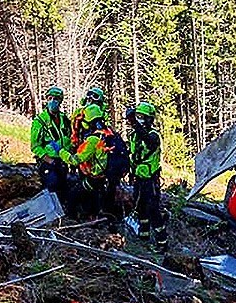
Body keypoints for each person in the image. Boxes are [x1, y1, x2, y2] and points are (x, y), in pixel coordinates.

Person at [64, 104, 123, 220]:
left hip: (95, 178)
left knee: (73, 195)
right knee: (94, 198)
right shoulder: (108, 134)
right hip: (106, 177)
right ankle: (95, 215)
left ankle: (72, 220)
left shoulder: (93, 139)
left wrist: (60, 151)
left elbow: (76, 160)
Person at [127, 101, 167, 250]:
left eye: (142, 117)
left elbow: (149, 142)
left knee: (153, 210)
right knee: (140, 208)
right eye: (138, 116)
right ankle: (143, 236)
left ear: (150, 119)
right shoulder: (134, 136)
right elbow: (133, 155)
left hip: (151, 180)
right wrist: (131, 173)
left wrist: (135, 125)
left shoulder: (153, 136)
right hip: (138, 178)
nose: (139, 119)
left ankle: (162, 242)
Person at [31, 86, 72, 203]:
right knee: (51, 185)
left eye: (56, 99)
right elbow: (35, 146)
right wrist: (49, 160)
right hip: (48, 162)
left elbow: (69, 138)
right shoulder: (40, 121)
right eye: (50, 98)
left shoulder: (64, 119)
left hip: (63, 161)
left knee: (64, 189)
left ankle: (63, 216)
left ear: (60, 101)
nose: (53, 101)